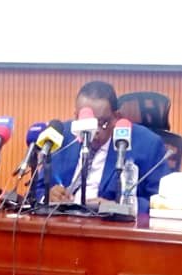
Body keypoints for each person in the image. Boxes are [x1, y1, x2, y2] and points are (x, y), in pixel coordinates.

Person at [39, 81, 171, 214]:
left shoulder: (147, 144)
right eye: (86, 122)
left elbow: (162, 202)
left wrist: (117, 207)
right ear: (76, 116)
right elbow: (37, 189)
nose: (95, 131)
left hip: (110, 223)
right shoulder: (61, 135)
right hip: (63, 220)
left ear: (116, 117)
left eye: (102, 123)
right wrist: (48, 196)